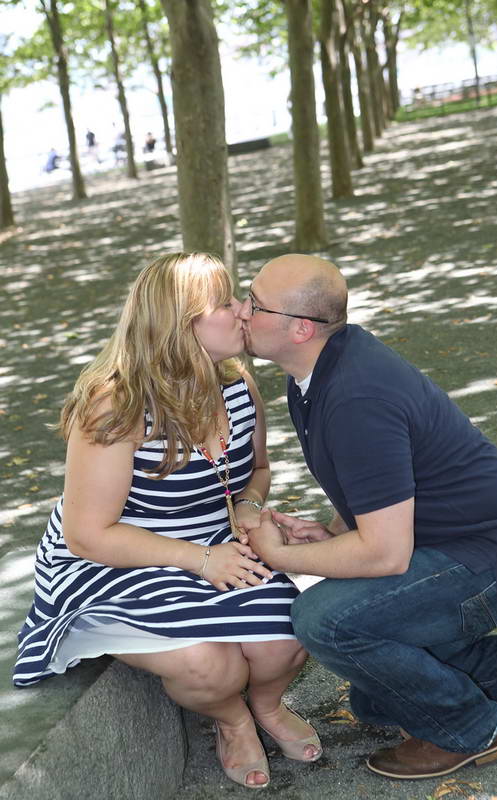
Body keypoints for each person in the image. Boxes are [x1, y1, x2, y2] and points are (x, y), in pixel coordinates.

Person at [13, 252, 322, 789]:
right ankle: (233, 719)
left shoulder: (238, 386)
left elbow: (260, 470)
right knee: (210, 666)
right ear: (183, 327)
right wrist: (200, 560)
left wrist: (247, 507)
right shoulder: (116, 405)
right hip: (116, 556)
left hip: (210, 540)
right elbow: (88, 534)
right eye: (225, 303)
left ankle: (268, 706)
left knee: (290, 636)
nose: (244, 309)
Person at [238, 253, 497, 781]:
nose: (240, 310)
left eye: (253, 302)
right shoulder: (316, 369)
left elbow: (384, 552)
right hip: (456, 543)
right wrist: (332, 530)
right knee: (382, 701)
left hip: (496, 557)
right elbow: (380, 484)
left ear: (300, 328)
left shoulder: (355, 395)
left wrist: (286, 555)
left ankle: (471, 731)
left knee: (324, 619)